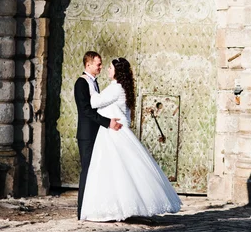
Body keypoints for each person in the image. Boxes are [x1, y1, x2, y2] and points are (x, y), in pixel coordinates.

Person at [80, 57, 182, 222]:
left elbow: (95, 102)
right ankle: (119, 207)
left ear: (117, 72)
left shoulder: (115, 88)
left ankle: (119, 207)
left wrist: (89, 83)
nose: (107, 70)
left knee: (116, 171)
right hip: (114, 131)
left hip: (112, 134)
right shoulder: (121, 88)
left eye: (111, 68)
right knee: (117, 171)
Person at [74, 51, 122, 220]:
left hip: (97, 133)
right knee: (87, 170)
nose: (101, 67)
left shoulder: (94, 82)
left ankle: (93, 207)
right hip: (87, 134)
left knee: (96, 170)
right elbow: (86, 110)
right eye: (98, 64)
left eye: (101, 64)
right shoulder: (81, 83)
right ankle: (82, 210)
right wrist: (107, 122)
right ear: (88, 65)